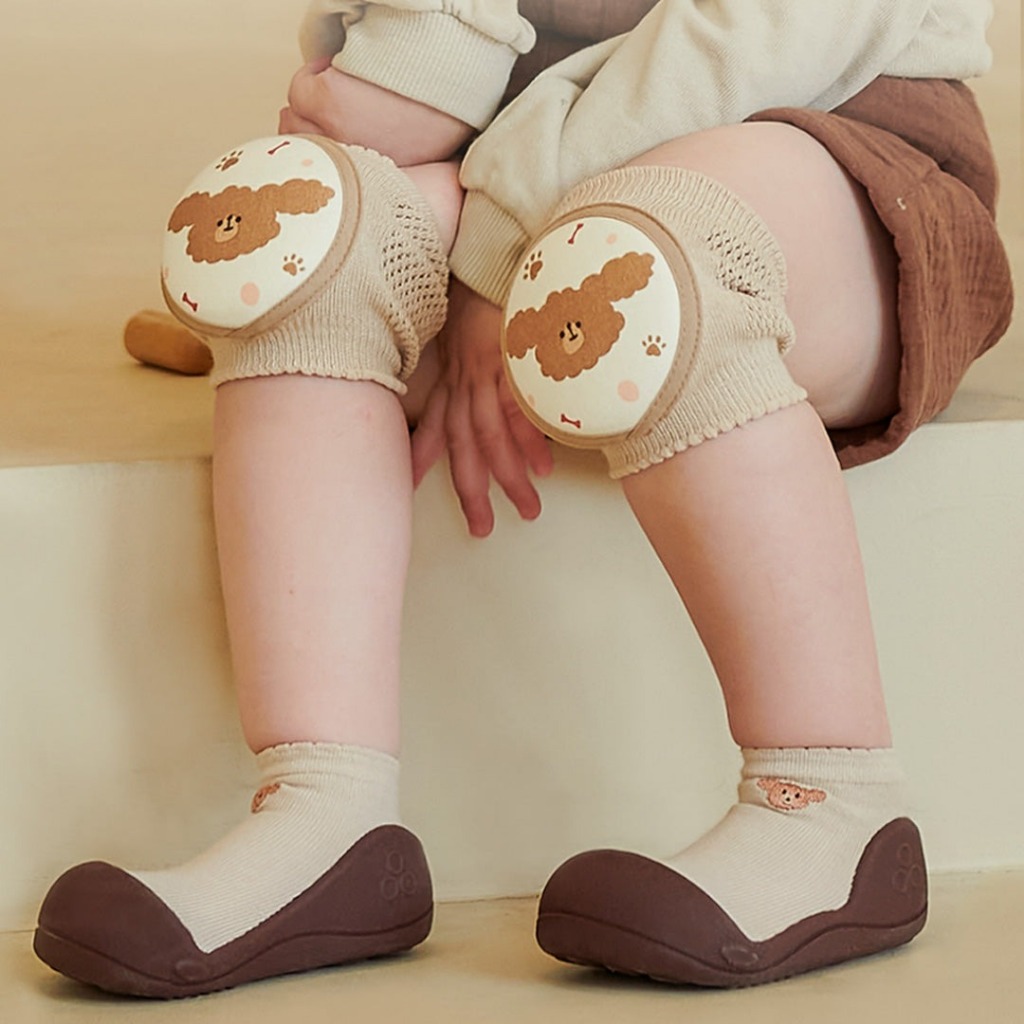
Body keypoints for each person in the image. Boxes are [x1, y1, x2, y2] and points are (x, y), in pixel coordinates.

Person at [34, 0, 1013, 997]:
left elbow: (771, 32)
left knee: (638, 261)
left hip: (829, 139)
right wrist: (409, 81)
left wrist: (503, 253)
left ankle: (832, 804)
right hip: (520, 158)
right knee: (294, 238)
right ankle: (321, 815)